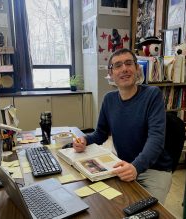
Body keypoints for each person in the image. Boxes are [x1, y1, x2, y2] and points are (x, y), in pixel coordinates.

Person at [73, 48, 172, 204]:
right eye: (118, 65)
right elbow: (100, 134)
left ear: (137, 68)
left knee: (148, 213)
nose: (124, 68)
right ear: (111, 74)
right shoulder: (109, 99)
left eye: (128, 63)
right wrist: (84, 140)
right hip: (122, 166)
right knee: (108, 206)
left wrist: (136, 167)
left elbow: (156, 139)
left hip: (154, 170)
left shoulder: (152, 94)